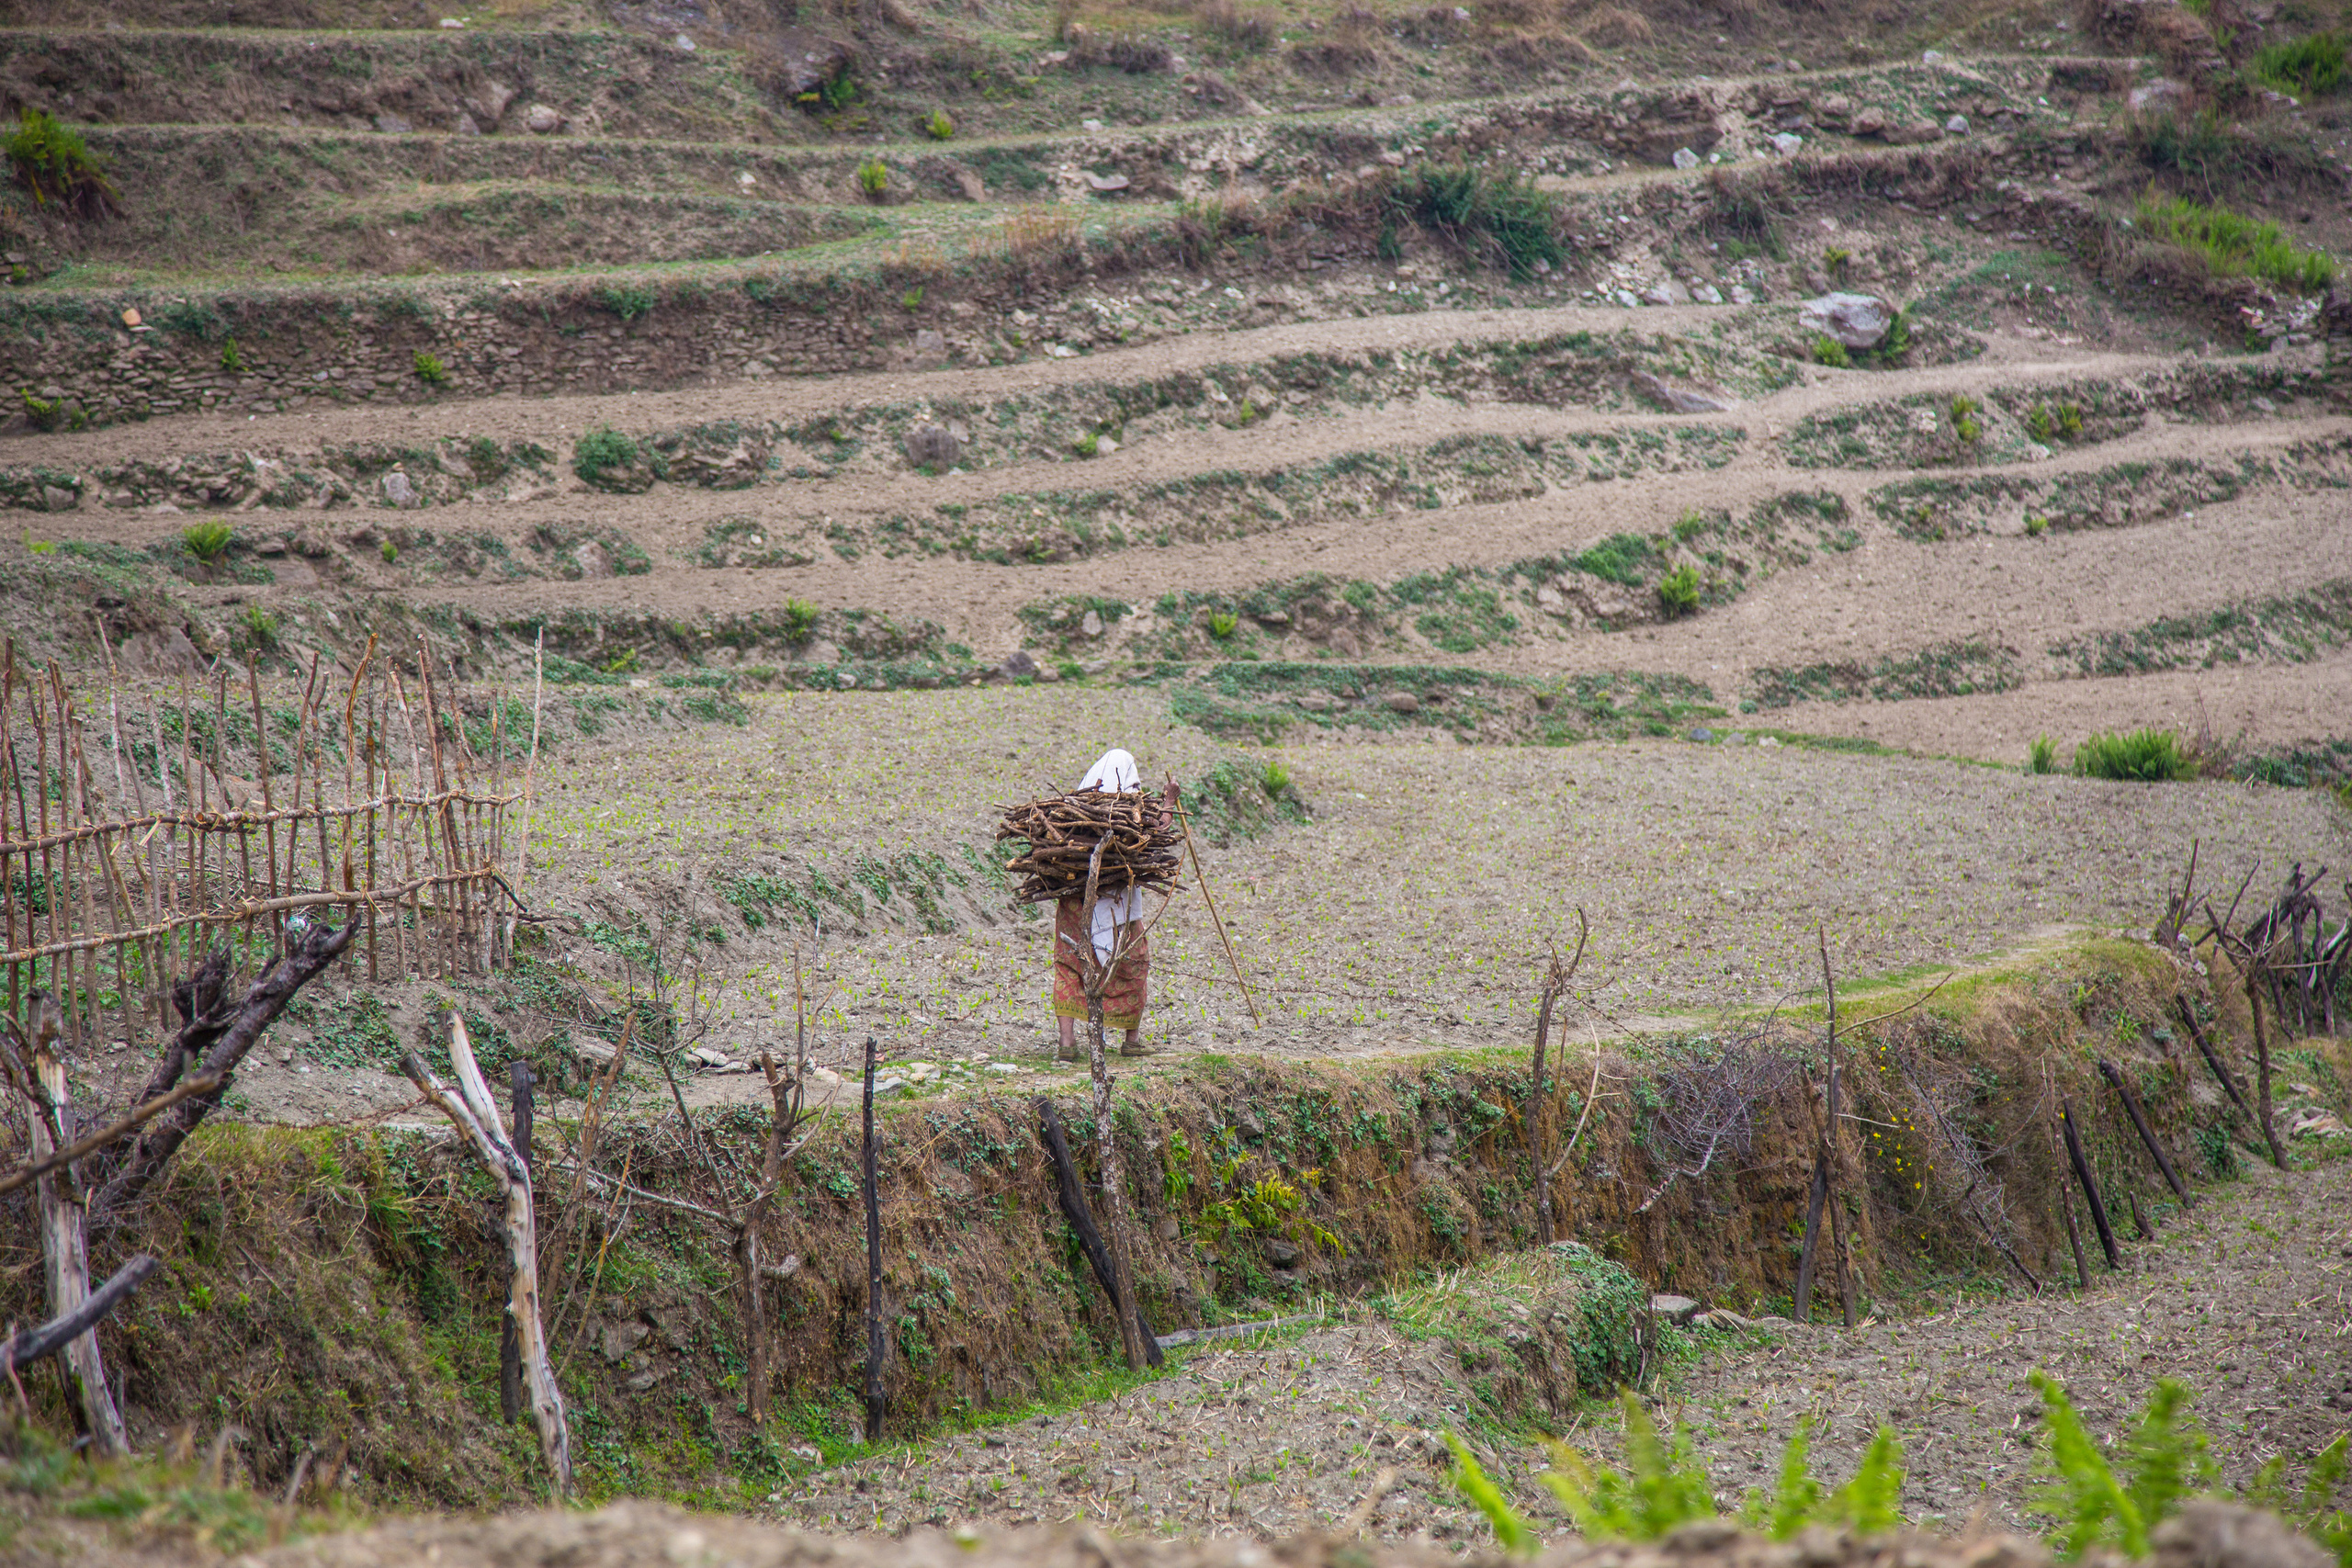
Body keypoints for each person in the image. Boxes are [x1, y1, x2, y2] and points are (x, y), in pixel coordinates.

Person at [1052, 748, 1178, 1060]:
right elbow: (1158, 830)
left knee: (1070, 964)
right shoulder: (1128, 815)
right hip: (1117, 904)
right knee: (1133, 962)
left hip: (1075, 901)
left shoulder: (1072, 812)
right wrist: (1169, 802)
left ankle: (1067, 1043)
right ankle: (1131, 1040)